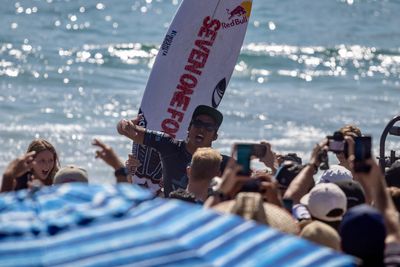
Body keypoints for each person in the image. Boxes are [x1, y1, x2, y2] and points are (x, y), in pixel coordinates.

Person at [117, 105, 229, 197]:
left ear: (215, 136)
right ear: (189, 128)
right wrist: (124, 125)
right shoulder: (170, 146)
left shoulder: (220, 163)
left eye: (209, 126)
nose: (202, 129)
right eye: (198, 123)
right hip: (170, 212)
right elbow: (130, 131)